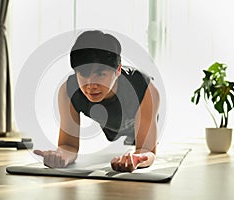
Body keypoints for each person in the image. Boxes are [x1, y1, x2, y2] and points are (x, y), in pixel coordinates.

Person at [34, 30, 160, 172]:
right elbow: (68, 146)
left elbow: (146, 149)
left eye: (100, 74)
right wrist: (61, 156)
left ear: (118, 70)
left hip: (141, 120)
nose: (91, 85)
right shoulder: (68, 91)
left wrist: (137, 158)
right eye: (83, 74)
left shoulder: (144, 88)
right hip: (112, 127)